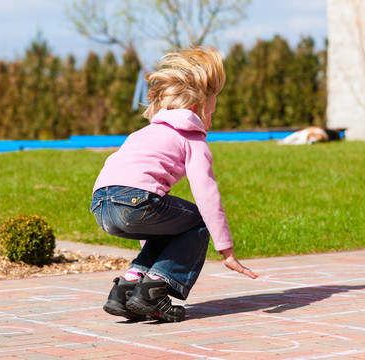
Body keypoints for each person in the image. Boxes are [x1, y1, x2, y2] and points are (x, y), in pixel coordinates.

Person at [90, 45, 258, 323]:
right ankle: (154, 290)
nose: (211, 122)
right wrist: (226, 250)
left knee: (175, 224)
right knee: (198, 222)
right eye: (211, 114)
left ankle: (126, 289)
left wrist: (151, 243)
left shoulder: (144, 132)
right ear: (196, 109)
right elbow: (207, 194)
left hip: (100, 204)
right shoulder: (192, 139)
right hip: (136, 201)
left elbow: (138, 204)